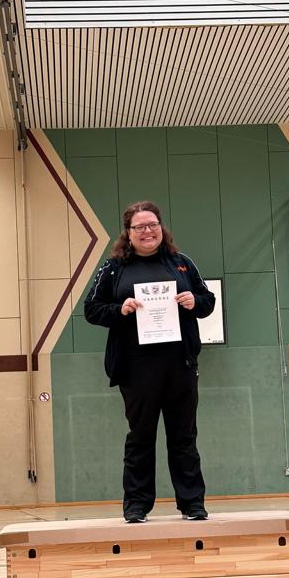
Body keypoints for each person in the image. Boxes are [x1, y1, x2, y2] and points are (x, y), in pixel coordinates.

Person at [84, 200, 215, 523]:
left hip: (180, 365)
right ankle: (137, 505)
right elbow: (91, 309)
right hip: (136, 367)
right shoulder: (113, 268)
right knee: (140, 437)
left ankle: (192, 503)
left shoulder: (181, 263)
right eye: (140, 226)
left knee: (184, 437)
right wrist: (120, 309)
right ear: (128, 233)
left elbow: (208, 301)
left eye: (152, 225)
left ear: (161, 228)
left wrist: (194, 301)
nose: (147, 231)